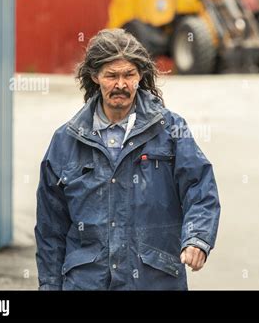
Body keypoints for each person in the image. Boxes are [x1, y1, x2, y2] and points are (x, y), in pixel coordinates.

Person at [35, 28, 221, 290]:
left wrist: (197, 238)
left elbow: (200, 188)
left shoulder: (170, 129)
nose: (121, 84)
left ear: (140, 75)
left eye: (128, 75)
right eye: (111, 75)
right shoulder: (66, 140)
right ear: (95, 76)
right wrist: (49, 286)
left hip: (154, 280)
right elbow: (50, 229)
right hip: (86, 282)